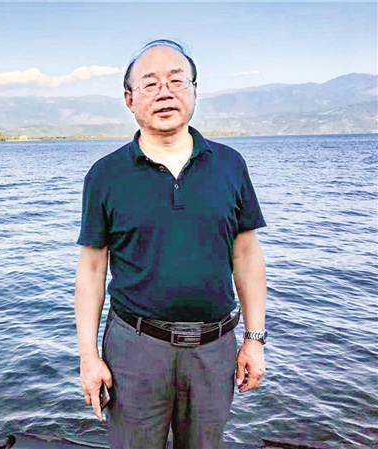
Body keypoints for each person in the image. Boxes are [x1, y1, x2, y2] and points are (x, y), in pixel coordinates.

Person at [74, 39, 268, 449]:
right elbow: (91, 269)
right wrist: (89, 356)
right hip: (134, 349)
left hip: (214, 348)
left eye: (177, 81)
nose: (165, 92)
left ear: (195, 91)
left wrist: (254, 338)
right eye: (150, 83)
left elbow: (247, 254)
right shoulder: (105, 175)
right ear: (129, 99)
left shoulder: (230, 165)